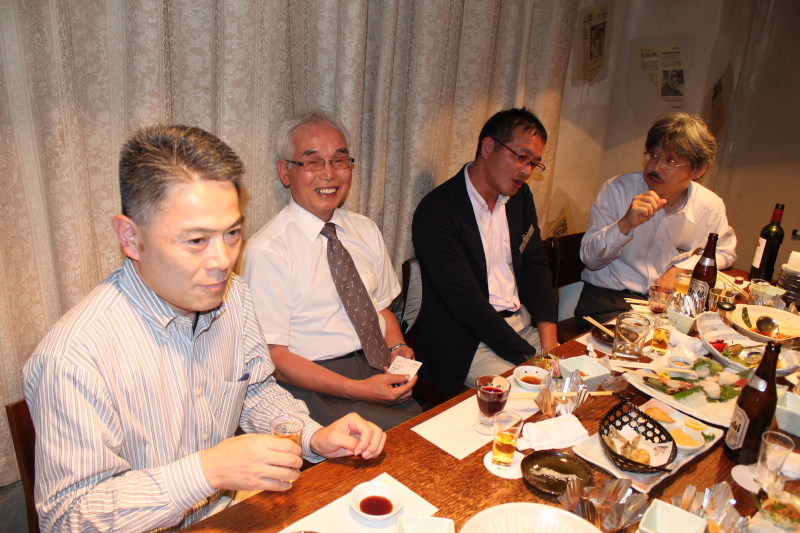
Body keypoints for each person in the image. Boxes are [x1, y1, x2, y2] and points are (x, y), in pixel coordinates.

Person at [23, 125, 386, 532]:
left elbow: (255, 390)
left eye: (232, 234)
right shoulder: (72, 358)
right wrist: (206, 471)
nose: (222, 262)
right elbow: (67, 518)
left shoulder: (234, 297)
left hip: (225, 515)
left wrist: (311, 436)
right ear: (130, 237)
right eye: (196, 240)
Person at [241, 111, 421, 431]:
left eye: (339, 160)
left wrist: (396, 348)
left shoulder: (365, 229)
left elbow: (382, 308)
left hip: (377, 368)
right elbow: (275, 359)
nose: (329, 174)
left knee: (429, 436)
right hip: (313, 385)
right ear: (285, 172)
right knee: (400, 445)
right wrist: (360, 390)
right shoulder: (267, 250)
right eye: (312, 162)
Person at [412, 108, 558, 395]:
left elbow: (534, 263)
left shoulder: (520, 198)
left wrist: (550, 343)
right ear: (488, 147)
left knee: (577, 382)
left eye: (534, 163)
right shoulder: (437, 211)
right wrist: (533, 358)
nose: (527, 171)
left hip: (521, 326)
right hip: (467, 342)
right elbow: (466, 303)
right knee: (533, 397)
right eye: (521, 156)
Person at [576, 112, 737, 329]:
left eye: (670, 161)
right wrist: (625, 224)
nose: (655, 167)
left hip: (668, 304)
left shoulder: (710, 206)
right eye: (653, 155)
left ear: (698, 170)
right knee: (643, 344)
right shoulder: (617, 190)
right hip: (609, 299)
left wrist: (681, 269)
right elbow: (590, 259)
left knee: (712, 335)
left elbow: (725, 252)